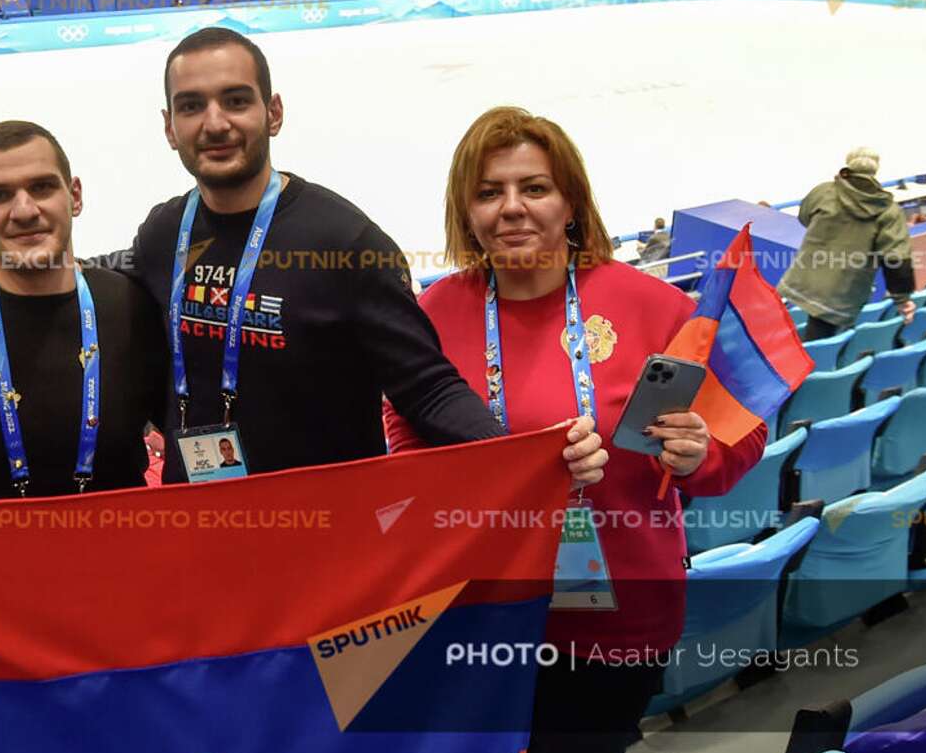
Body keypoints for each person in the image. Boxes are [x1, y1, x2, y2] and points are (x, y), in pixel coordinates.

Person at [386, 106, 760, 753]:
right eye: (490, 192)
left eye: (535, 187)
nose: (513, 208)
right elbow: (404, 459)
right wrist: (511, 473)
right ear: (467, 208)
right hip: (484, 614)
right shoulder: (436, 312)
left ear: (572, 202)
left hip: (619, 616)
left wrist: (697, 456)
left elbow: (737, 432)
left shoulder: (649, 304)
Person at [121, 28, 601, 480]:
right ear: (169, 127)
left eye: (236, 100)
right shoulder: (162, 235)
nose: (215, 122)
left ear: (274, 113)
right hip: (201, 524)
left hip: (330, 538)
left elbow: (427, 389)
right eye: (191, 106)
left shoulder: (347, 244)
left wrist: (523, 458)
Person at [0, 121, 167, 501]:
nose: (23, 210)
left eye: (41, 187)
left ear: (74, 195)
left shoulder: (134, 304)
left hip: (122, 548)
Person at [777, 147, 918, 339]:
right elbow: (896, 258)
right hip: (844, 293)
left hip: (802, 280)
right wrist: (902, 299)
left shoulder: (824, 192)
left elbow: (804, 217)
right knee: (821, 340)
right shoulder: (889, 212)